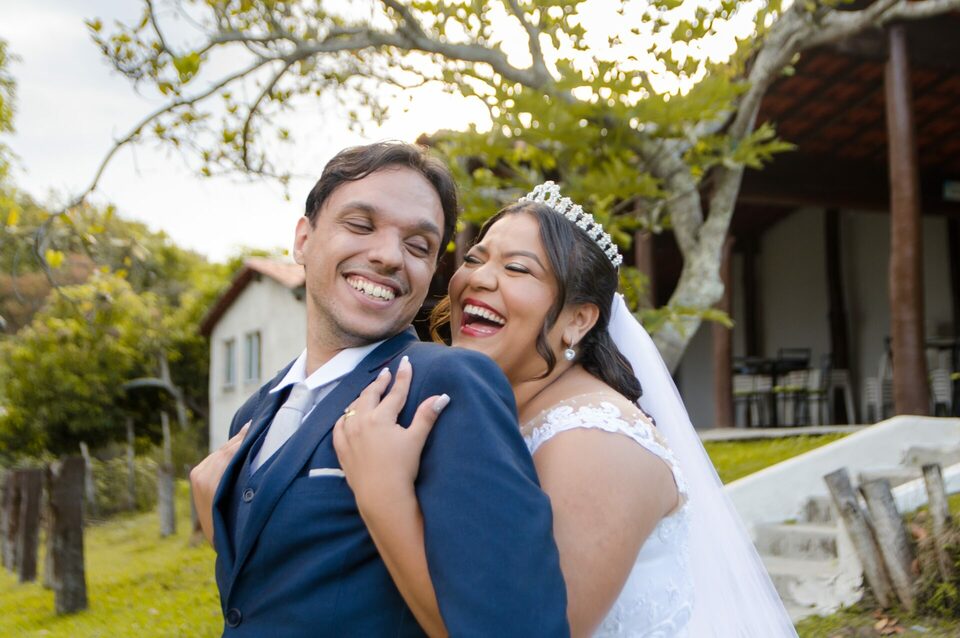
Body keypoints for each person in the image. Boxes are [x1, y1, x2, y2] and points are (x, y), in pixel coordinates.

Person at [334, 182, 799, 637]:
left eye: (517, 269)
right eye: (475, 258)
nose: (479, 277)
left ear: (579, 319)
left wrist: (383, 494)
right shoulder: (487, 412)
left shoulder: (598, 439)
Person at [189, 143, 569, 637]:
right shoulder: (254, 414)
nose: (388, 256)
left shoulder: (448, 387)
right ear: (304, 239)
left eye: (417, 246)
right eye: (361, 225)